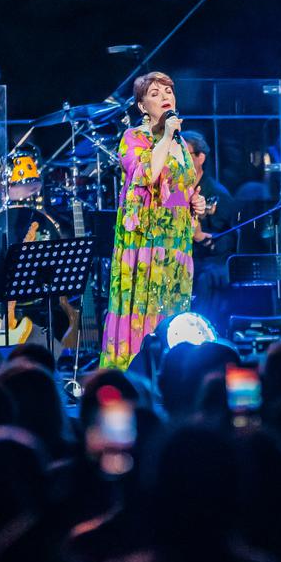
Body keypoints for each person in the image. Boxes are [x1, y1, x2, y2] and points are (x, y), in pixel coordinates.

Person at [99, 72, 206, 370]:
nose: (165, 96)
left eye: (169, 90)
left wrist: (192, 202)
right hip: (143, 242)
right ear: (142, 106)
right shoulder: (133, 138)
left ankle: (169, 372)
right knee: (142, 308)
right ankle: (133, 373)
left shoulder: (182, 144)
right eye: (156, 93)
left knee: (171, 307)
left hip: (174, 243)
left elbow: (175, 193)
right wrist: (168, 135)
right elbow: (147, 175)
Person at [183, 130, 238, 329]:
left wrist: (199, 235)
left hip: (210, 260)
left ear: (200, 157)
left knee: (208, 277)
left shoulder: (217, 193)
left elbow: (225, 240)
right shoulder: (172, 189)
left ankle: (202, 331)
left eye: (186, 154)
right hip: (181, 255)